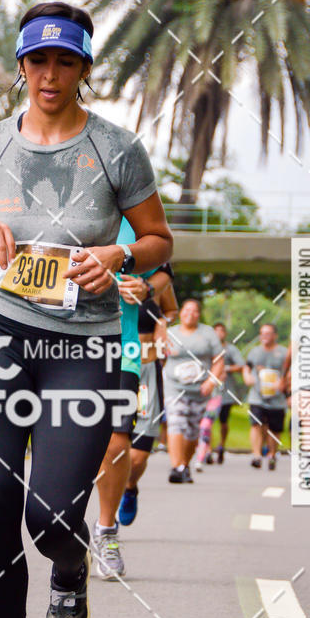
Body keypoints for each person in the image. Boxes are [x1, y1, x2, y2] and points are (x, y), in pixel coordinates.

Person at [0, 1, 172, 618]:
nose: (49, 73)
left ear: (83, 68)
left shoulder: (116, 147)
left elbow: (159, 239)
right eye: (37, 60)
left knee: (50, 515)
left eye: (64, 61)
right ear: (20, 67)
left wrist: (118, 252)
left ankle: (69, 568)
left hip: (85, 342)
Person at [93, 223, 172, 579]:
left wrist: (145, 287)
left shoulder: (133, 217)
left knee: (118, 444)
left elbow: (162, 271)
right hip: (51, 346)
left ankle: (106, 530)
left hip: (120, 348)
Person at [118, 265, 176, 526]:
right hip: (111, 366)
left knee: (139, 452)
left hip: (145, 371)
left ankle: (129, 487)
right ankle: (109, 509)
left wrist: (163, 322)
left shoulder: (154, 281)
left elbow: (171, 310)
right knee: (110, 444)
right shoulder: (104, 271)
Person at [163, 299, 224, 483]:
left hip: (199, 391)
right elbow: (157, 357)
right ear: (181, 312)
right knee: (175, 423)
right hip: (174, 388)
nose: (190, 313)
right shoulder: (170, 333)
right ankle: (176, 467)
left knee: (192, 432)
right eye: (186, 309)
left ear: (199, 314)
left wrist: (211, 381)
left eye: (194, 310)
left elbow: (219, 359)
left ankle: (184, 464)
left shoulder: (208, 333)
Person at [242, 323, 288, 470]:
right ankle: (256, 455)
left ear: (275, 335)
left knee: (275, 429)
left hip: (277, 398)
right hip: (257, 396)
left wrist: (284, 382)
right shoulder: (254, 352)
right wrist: (247, 376)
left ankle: (272, 454)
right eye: (262, 334)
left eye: (268, 334)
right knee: (256, 424)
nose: (265, 337)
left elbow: (292, 371)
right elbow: (246, 367)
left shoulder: (283, 353)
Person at [207, 322, 244, 465]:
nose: (218, 334)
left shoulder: (230, 349)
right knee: (207, 422)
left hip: (226, 393)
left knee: (223, 421)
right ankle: (208, 449)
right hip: (210, 391)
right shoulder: (207, 348)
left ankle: (221, 445)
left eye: (221, 331)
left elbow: (241, 365)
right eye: (215, 331)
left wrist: (224, 369)